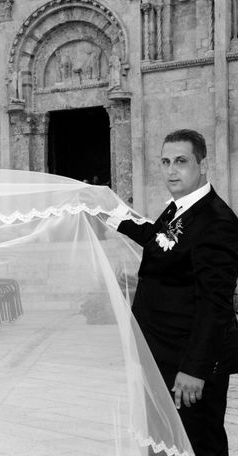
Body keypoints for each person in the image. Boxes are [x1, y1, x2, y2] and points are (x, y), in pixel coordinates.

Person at [111, 129, 238, 455]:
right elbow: (161, 242)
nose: (171, 170)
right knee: (166, 441)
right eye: (166, 162)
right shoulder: (178, 208)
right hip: (161, 352)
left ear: (203, 164)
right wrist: (113, 218)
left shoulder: (216, 221)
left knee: (198, 442)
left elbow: (215, 304)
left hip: (188, 362)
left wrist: (194, 370)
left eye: (181, 161)